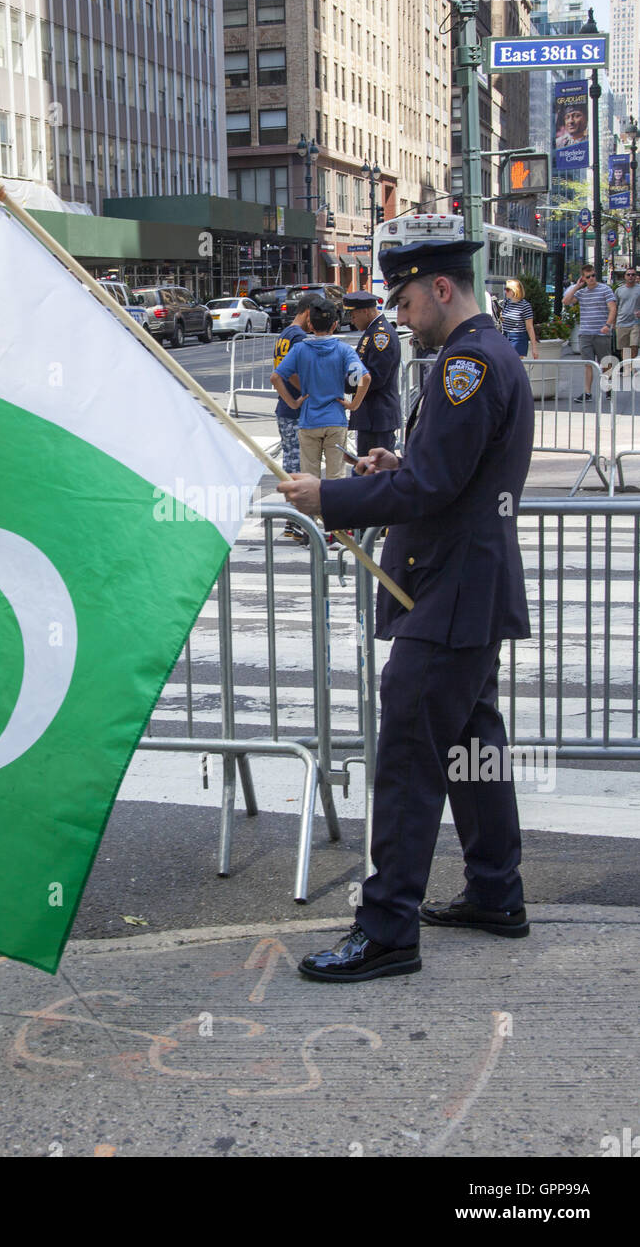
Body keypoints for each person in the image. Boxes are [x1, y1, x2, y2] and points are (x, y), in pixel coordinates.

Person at [277, 239, 534, 983]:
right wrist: (395, 464)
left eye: (407, 300)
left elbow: (432, 492)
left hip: (450, 594)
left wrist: (331, 498)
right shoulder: (481, 356)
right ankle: (494, 893)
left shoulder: (467, 365)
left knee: (410, 761)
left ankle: (387, 927)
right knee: (471, 749)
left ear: (443, 288)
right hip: (468, 588)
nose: (401, 315)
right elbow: (441, 474)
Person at [270, 294, 370, 483]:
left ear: (311, 324)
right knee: (336, 476)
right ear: (334, 324)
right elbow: (364, 377)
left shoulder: (300, 349)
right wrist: (354, 404)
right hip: (335, 419)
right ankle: (334, 511)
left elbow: (276, 377)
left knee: (309, 478)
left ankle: (310, 513)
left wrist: (293, 403)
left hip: (309, 420)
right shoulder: (344, 350)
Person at [343, 290, 402, 456]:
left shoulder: (380, 335)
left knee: (376, 470)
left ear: (365, 311)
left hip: (378, 415)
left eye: (354, 316)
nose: (352, 322)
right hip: (370, 415)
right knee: (366, 469)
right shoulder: (372, 331)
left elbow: (375, 377)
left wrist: (345, 383)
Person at [272, 299, 312, 541]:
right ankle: (296, 521)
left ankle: (291, 521)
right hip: (293, 409)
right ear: (307, 313)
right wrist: (308, 390)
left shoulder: (285, 333)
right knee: (298, 467)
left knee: (291, 464)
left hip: (285, 408)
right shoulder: (298, 337)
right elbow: (290, 372)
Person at [563, 265, 617, 402]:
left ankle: (608, 389)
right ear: (583, 278)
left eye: (593, 275)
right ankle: (587, 393)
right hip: (585, 333)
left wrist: (607, 325)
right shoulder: (581, 293)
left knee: (605, 363)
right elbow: (566, 301)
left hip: (601, 333)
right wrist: (576, 286)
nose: (592, 278)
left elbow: (612, 308)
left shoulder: (605, 289)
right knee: (588, 363)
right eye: (588, 276)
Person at [499, 278, 538, 359]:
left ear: (515, 290)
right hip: (505, 335)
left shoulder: (525, 306)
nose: (505, 291)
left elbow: (530, 327)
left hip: (518, 338)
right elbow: (503, 317)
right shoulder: (507, 302)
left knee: (513, 365)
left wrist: (534, 348)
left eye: (507, 289)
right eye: (505, 289)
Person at [613, 268, 640, 362]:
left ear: (636, 276)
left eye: (633, 274)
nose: (631, 276)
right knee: (624, 349)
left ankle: (631, 365)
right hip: (621, 323)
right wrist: (613, 323)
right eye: (628, 274)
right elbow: (614, 307)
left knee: (634, 345)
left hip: (635, 323)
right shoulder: (619, 290)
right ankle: (627, 369)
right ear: (625, 276)